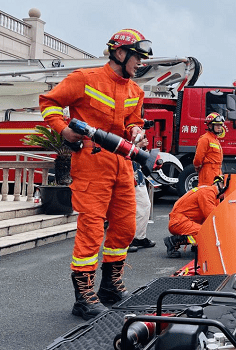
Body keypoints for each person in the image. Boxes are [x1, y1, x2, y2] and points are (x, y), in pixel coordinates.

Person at [39, 28, 152, 320]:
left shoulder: (135, 91)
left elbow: (133, 120)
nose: (140, 63)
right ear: (120, 53)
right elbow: (49, 102)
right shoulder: (84, 79)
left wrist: (136, 131)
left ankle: (110, 287)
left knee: (126, 227)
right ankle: (84, 297)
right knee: (91, 230)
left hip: (123, 165)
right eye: (137, 57)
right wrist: (63, 128)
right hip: (91, 163)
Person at [164, 176, 228, 258]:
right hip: (179, 222)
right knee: (209, 234)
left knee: (212, 230)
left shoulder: (212, 193)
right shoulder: (208, 193)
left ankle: (196, 244)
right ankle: (173, 241)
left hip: (184, 220)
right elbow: (212, 216)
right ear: (223, 187)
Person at [127, 159, 156, 253]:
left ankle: (139, 237)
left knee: (144, 206)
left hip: (137, 176)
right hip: (128, 175)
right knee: (126, 210)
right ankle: (125, 240)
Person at [193, 113, 225, 186]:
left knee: (216, 194)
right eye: (217, 125)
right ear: (210, 126)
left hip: (217, 172)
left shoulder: (215, 140)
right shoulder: (205, 139)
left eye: (220, 125)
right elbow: (198, 158)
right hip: (208, 172)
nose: (220, 127)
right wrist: (197, 167)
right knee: (207, 193)